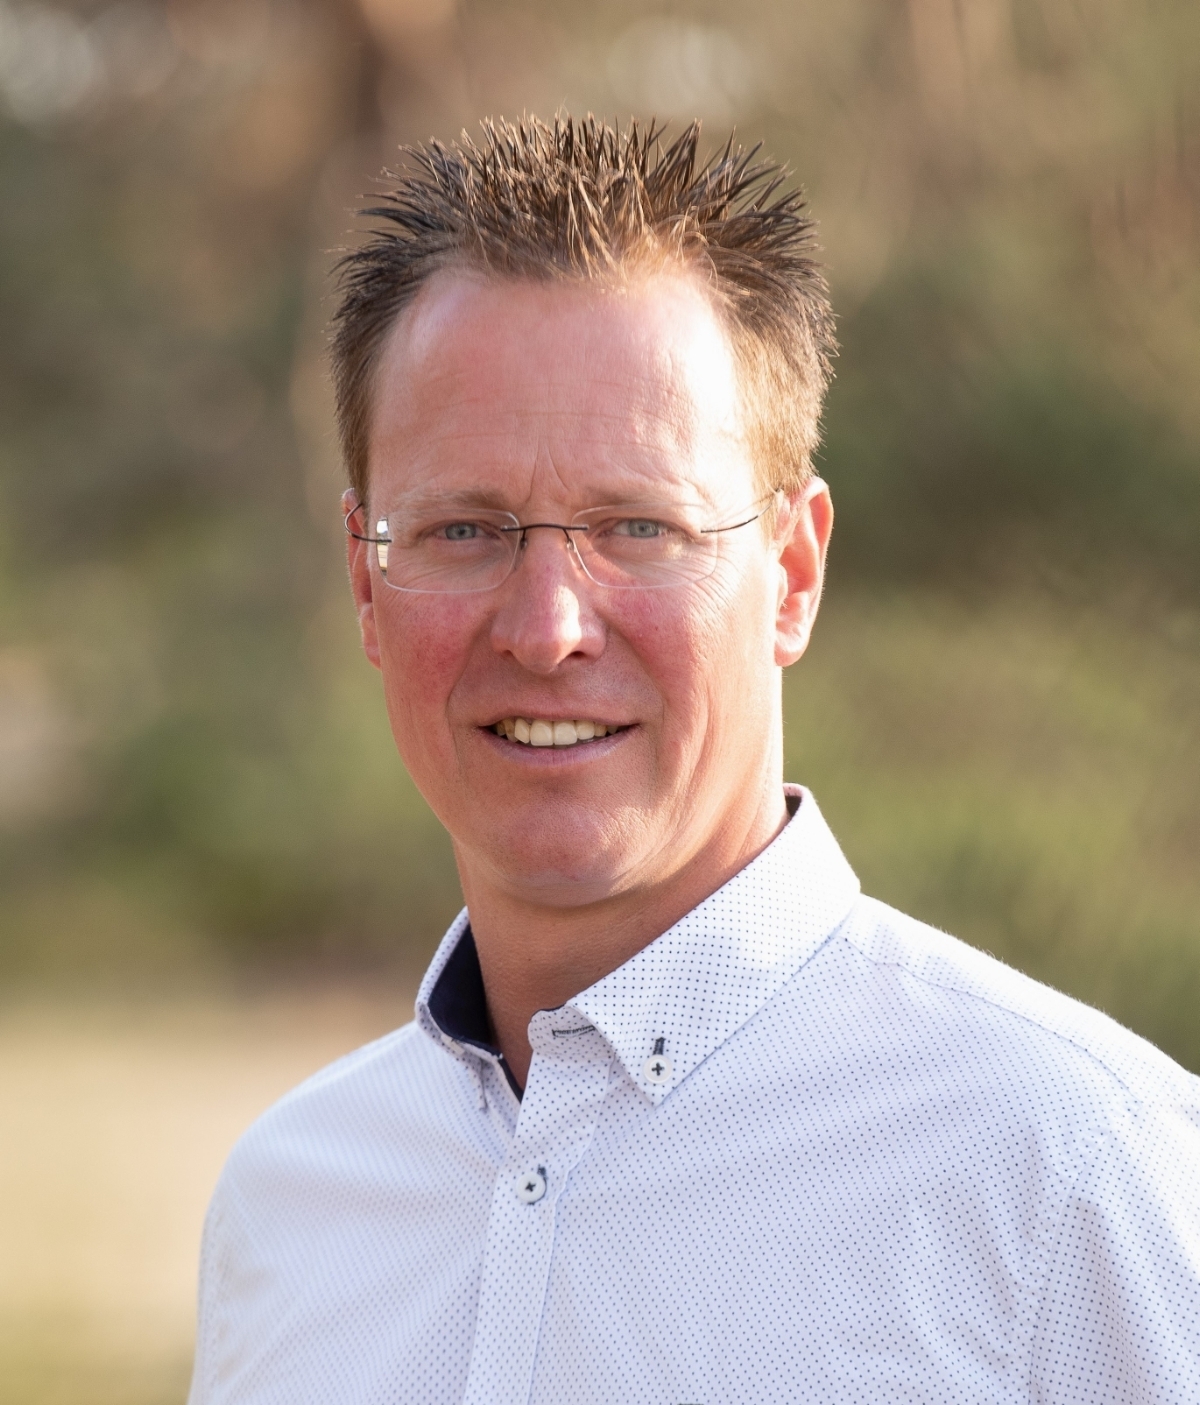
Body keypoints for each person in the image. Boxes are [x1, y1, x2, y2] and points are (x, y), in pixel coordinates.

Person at [187, 117, 1200, 1405]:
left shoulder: (1079, 1180)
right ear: (364, 580)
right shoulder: (289, 1211)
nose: (547, 628)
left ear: (792, 572)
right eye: (463, 530)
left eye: (638, 527)